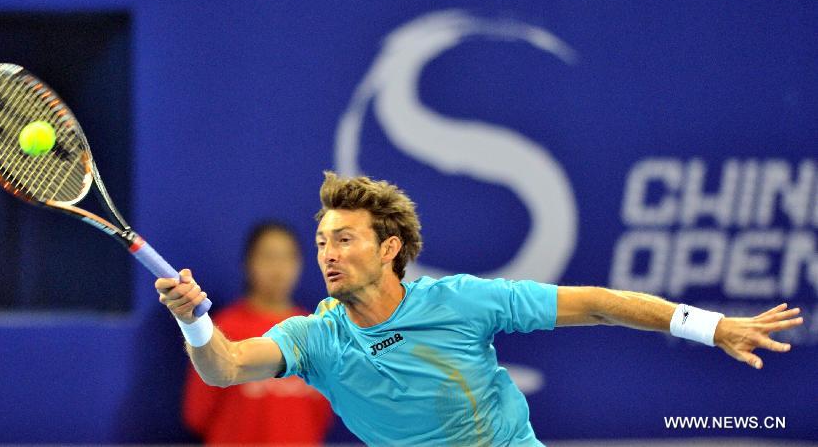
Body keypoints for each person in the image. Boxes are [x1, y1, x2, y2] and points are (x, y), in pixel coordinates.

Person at [156, 172, 804, 446]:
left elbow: (601, 305)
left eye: (344, 239)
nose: (328, 252)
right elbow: (226, 367)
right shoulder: (315, 337)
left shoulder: (463, 302)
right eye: (322, 240)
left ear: (389, 249)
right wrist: (193, 318)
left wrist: (712, 326)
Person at [181, 222, 333, 445]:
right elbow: (198, 414)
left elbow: (323, 412)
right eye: (268, 257)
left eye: (287, 258)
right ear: (248, 262)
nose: (278, 269)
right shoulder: (223, 329)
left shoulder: (317, 331)